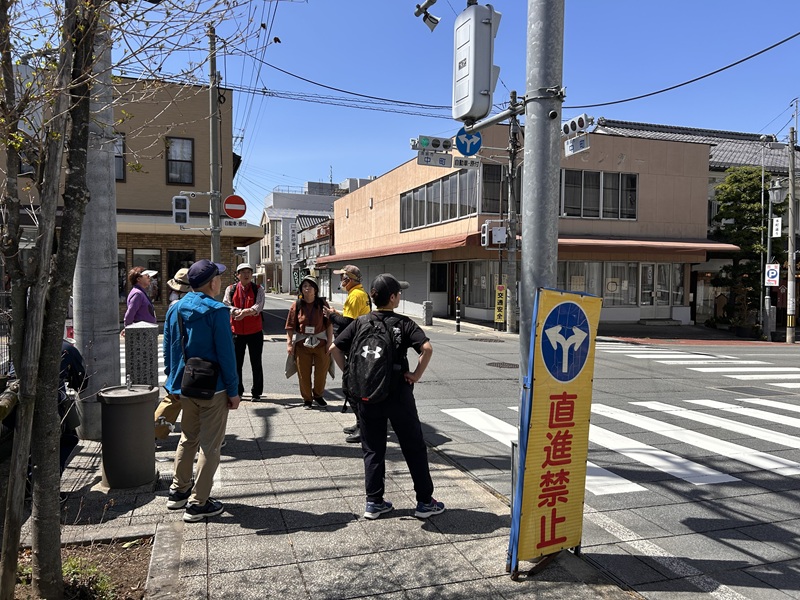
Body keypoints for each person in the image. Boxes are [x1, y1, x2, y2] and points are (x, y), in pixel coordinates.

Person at [330, 274, 444, 520]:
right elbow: (427, 348)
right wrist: (415, 374)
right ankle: (425, 502)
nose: (400, 296)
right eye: (398, 293)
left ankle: (374, 502)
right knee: (413, 446)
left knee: (372, 448)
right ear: (392, 298)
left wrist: (354, 376)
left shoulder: (360, 322)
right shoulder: (403, 323)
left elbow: (334, 349)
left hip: (368, 394)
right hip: (398, 393)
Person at [163, 259, 240, 522]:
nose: (221, 281)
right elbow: (226, 355)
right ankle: (198, 503)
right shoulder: (218, 311)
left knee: (187, 438)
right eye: (218, 277)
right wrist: (233, 389)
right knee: (210, 446)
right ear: (211, 283)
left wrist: (171, 382)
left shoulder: (176, 309)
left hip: (184, 385)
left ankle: (178, 491)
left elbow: (169, 347)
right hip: (214, 387)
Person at [323, 265, 370, 443]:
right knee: (354, 386)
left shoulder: (355, 296)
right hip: (361, 342)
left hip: (355, 344)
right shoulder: (361, 294)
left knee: (351, 387)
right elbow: (352, 317)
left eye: (342, 277)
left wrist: (331, 316)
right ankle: (360, 423)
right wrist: (338, 313)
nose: (340, 280)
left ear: (349, 280)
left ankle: (362, 426)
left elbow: (347, 324)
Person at [154, 268, 191, 440]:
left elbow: (167, 342)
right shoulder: (192, 306)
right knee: (191, 403)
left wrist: (169, 367)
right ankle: (152, 433)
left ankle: (151, 434)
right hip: (191, 365)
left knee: (173, 400)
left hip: (177, 364)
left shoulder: (172, 308)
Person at [285, 274, 332, 409]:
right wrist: (289, 343)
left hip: (321, 342)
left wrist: (330, 342)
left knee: (321, 372)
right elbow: (290, 326)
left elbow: (328, 324)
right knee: (303, 373)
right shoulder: (297, 305)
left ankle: (318, 395)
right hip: (302, 343)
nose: (307, 289)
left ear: (316, 289)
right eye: (305, 286)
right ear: (301, 289)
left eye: (310, 286)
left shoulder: (322, 304)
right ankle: (307, 399)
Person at [223, 264, 265, 401]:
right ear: (238, 275)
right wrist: (235, 311)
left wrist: (246, 313)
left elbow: (259, 305)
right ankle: (238, 391)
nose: (246, 275)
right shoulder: (231, 289)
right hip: (236, 332)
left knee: (256, 362)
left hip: (255, 331)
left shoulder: (258, 289)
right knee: (236, 363)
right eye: (243, 272)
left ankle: (256, 392)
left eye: (249, 272)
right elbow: (226, 304)